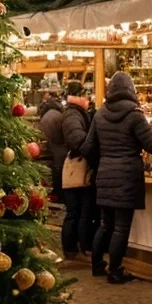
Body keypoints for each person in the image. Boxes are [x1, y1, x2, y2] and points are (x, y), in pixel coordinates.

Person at [80, 71, 152, 284]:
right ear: (130, 90)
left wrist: (102, 162)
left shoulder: (100, 113)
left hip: (105, 174)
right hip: (127, 175)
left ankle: (97, 264)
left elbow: (88, 146)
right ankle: (116, 270)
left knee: (105, 224)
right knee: (121, 226)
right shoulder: (134, 115)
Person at [59, 85, 95, 261]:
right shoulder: (73, 114)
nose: (89, 101)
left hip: (73, 170)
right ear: (79, 96)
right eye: (86, 97)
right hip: (77, 170)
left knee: (76, 212)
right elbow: (76, 140)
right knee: (79, 212)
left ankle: (72, 248)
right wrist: (92, 148)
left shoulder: (73, 113)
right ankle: (78, 249)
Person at [37, 91, 66, 198]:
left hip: (53, 141)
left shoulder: (48, 111)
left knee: (56, 165)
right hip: (58, 143)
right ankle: (60, 193)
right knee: (59, 164)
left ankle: (57, 192)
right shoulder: (58, 111)